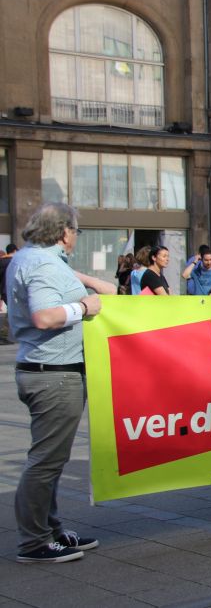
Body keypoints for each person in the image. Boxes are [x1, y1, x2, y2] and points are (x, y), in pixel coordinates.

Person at [7, 202, 116, 563]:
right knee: (46, 461)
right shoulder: (42, 264)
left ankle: (50, 530)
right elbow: (44, 316)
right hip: (54, 374)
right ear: (64, 232)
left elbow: (108, 290)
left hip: (47, 370)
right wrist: (83, 308)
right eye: (76, 231)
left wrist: (81, 281)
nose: (75, 237)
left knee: (51, 458)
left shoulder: (33, 259)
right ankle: (34, 540)